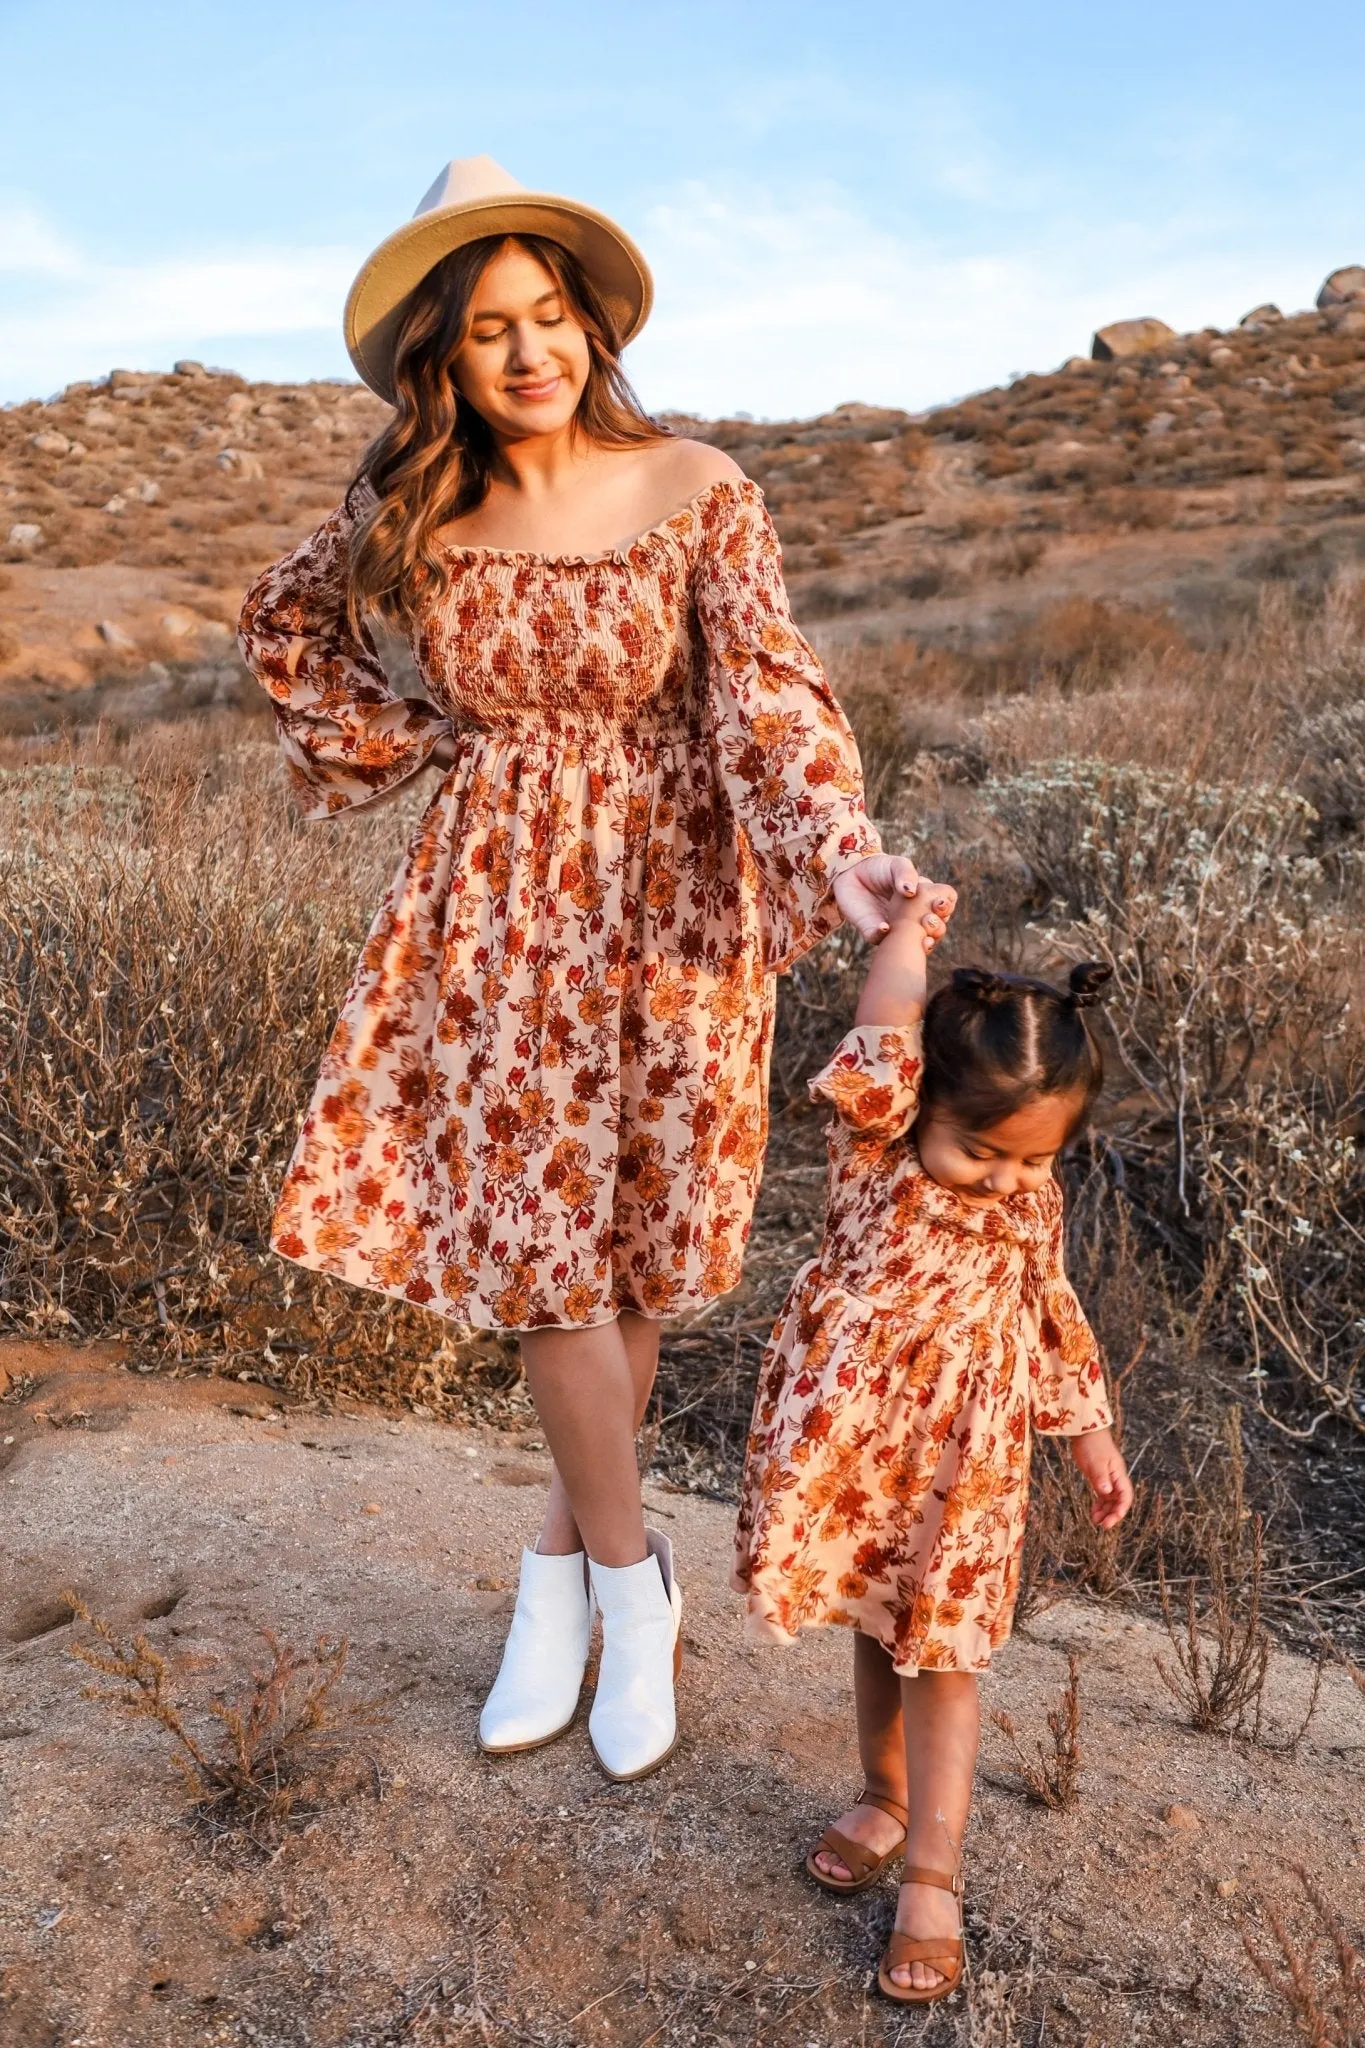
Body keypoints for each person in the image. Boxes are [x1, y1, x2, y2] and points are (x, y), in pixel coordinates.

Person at [238, 155, 920, 1786]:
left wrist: (839, 851)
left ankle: (556, 1574)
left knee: (635, 1252)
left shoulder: (696, 485)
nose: (527, 353)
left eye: (548, 317)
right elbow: (281, 620)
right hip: (497, 908)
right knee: (551, 1260)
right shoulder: (425, 516)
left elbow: (769, 698)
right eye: (488, 331)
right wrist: (408, 741)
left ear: (587, 327)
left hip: (679, 900)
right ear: (444, 360)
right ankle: (633, 1588)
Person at [733, 882, 1134, 2004]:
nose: (1008, 1179)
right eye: (984, 1152)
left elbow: (1053, 1312)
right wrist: (904, 931)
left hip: (967, 1461)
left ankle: (933, 1874)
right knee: (876, 1620)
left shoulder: (1027, 1207)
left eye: (1034, 1160)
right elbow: (885, 1019)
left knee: (944, 1652)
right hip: (863, 1442)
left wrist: (1091, 1432)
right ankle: (885, 1791)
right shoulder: (874, 1144)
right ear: (917, 1105)